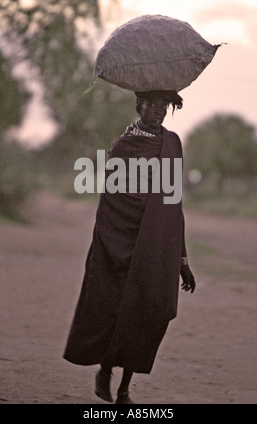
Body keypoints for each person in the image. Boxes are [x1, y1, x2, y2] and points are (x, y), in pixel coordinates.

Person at [63, 89, 196, 404]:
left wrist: (183, 259)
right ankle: (106, 372)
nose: (159, 112)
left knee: (151, 313)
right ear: (140, 106)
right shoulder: (123, 147)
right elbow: (111, 202)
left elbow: (173, 204)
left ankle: (125, 388)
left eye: (165, 106)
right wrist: (114, 245)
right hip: (121, 245)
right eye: (153, 105)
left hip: (156, 248)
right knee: (119, 310)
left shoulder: (172, 144)